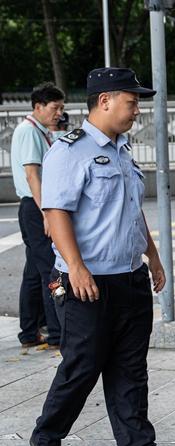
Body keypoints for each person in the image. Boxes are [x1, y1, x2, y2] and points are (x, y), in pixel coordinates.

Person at [30, 68, 175, 446]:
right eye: (131, 102)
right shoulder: (69, 150)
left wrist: (151, 256)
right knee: (82, 364)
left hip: (129, 277)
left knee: (131, 365)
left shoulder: (122, 150)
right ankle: (47, 437)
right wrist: (77, 268)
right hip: (88, 281)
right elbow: (55, 211)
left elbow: (130, 211)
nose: (137, 110)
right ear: (105, 101)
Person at [11, 82, 64, 350]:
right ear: (38, 106)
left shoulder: (37, 130)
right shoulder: (29, 132)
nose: (58, 113)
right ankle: (56, 333)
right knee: (49, 272)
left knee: (34, 273)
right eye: (55, 108)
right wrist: (47, 214)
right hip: (35, 206)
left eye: (61, 108)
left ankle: (29, 332)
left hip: (34, 206)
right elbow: (33, 175)